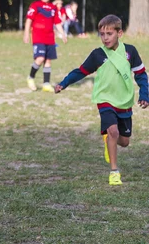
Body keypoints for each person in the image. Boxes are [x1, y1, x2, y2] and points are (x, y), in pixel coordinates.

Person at [55, 14, 148, 185]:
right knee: (113, 131)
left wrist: (144, 95)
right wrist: (64, 83)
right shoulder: (97, 55)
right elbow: (80, 71)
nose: (105, 38)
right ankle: (114, 172)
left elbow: (141, 74)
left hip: (124, 101)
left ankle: (108, 140)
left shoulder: (130, 52)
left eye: (109, 34)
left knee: (124, 141)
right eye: (102, 34)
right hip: (105, 99)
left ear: (119, 33)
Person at [24, 0, 67, 92]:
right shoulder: (35, 5)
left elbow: (57, 23)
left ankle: (46, 84)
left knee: (48, 60)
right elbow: (29, 20)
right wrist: (26, 33)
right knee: (40, 58)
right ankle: (31, 77)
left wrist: (62, 34)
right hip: (38, 38)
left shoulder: (53, 8)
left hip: (50, 38)